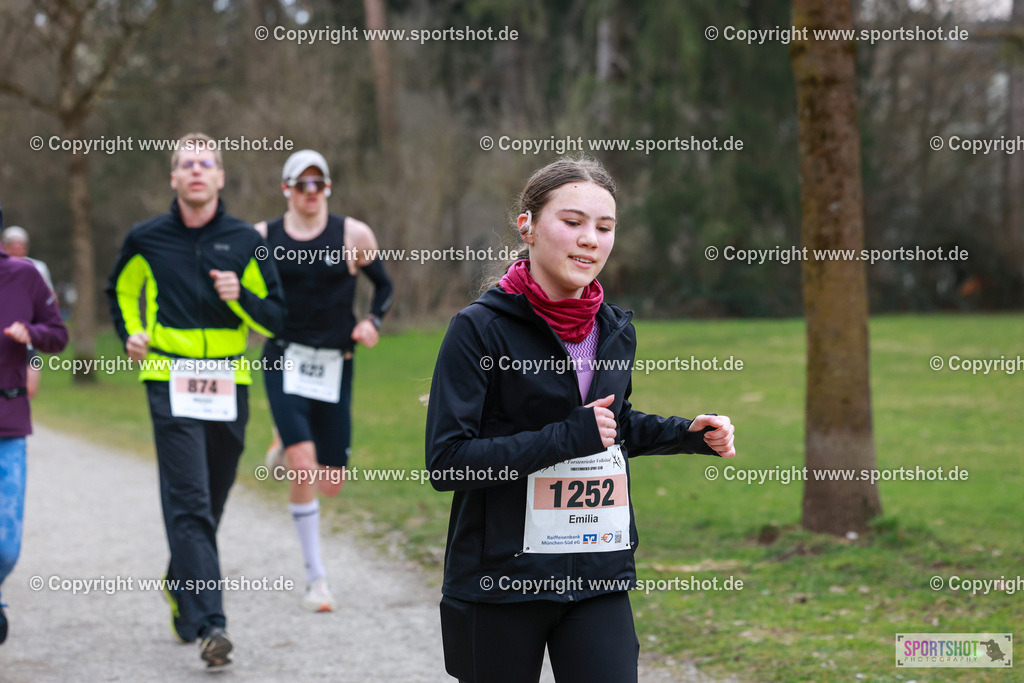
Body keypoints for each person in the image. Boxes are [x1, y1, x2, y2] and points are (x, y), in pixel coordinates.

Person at [424, 157, 737, 683]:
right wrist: (566, 437)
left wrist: (686, 435)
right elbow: (449, 462)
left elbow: (611, 426)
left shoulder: (615, 329)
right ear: (527, 226)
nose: (590, 239)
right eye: (572, 222)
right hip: (501, 580)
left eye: (604, 227)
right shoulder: (478, 330)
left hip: (596, 574)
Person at [105, 133, 285, 669]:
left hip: (229, 384)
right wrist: (133, 334)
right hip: (170, 378)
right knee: (189, 501)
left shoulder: (245, 242)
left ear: (221, 177)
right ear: (174, 179)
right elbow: (121, 290)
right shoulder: (147, 238)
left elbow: (276, 317)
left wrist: (241, 296)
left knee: (211, 500)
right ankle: (212, 624)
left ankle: (179, 580)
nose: (198, 171)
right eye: (188, 164)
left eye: (207, 163)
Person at [255, 149, 393, 612]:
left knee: (330, 481)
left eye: (319, 184)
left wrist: (372, 320)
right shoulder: (263, 237)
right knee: (303, 462)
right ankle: (317, 578)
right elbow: (239, 289)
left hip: (336, 362)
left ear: (328, 188)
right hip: (282, 358)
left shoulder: (353, 234)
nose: (311, 193)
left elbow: (385, 286)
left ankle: (286, 438)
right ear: (286, 190)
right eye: (301, 185)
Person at [0, 200, 69, 646]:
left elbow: (57, 334)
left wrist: (32, 334)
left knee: (6, 546)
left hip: (8, 422)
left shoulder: (24, 275)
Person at [2, 226, 55, 400]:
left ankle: (19, 412)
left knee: (30, 388)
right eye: (13, 246)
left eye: (21, 246)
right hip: (4, 332)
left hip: (28, 333)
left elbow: (51, 298)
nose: (18, 250)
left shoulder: (37, 268)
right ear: (5, 246)